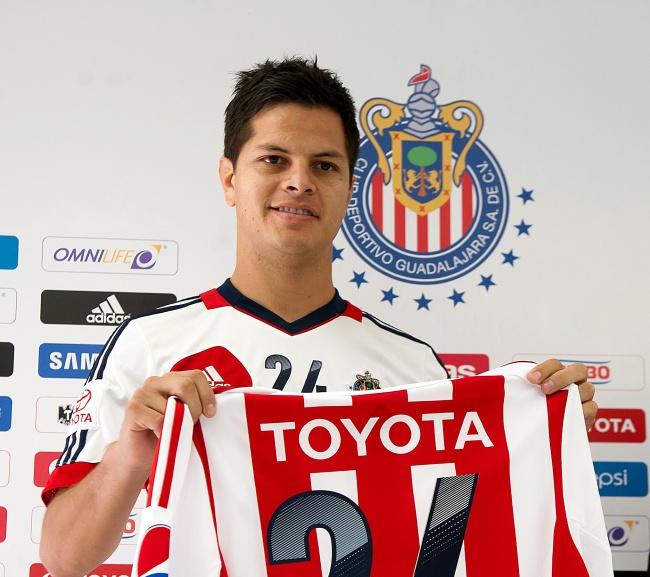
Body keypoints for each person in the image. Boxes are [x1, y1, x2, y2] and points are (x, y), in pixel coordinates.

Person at [39, 57, 597, 577]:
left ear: (349, 188)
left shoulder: (414, 368)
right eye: (273, 159)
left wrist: (544, 434)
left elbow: (460, 536)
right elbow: (62, 558)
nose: (299, 181)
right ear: (230, 179)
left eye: (324, 165)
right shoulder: (149, 344)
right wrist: (128, 460)